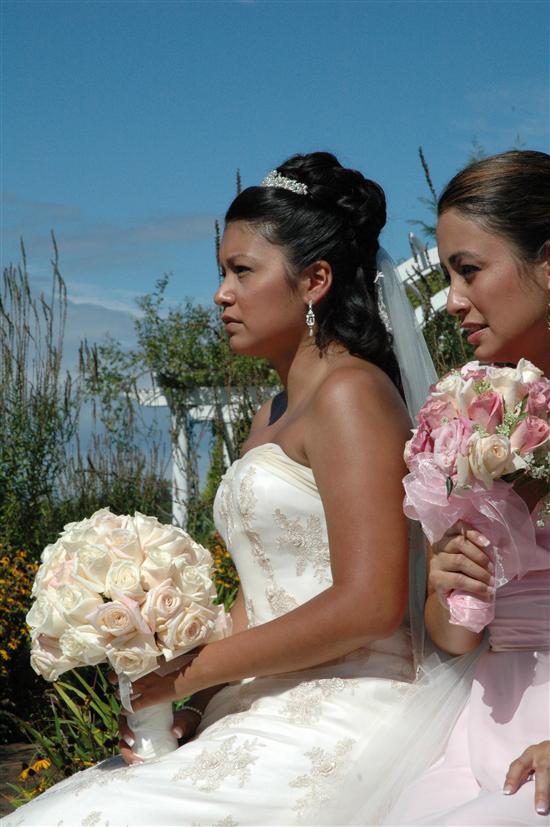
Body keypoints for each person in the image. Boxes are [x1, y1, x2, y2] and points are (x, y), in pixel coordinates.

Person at [8, 152, 424, 827]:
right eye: (220, 272)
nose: (220, 294)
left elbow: (371, 603)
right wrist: (192, 704)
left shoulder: (352, 394)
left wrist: (191, 671)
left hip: (347, 700)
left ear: (314, 280)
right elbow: (261, 593)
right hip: (257, 699)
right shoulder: (270, 413)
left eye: (242, 271)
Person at [386, 149, 550, 826]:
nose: (453, 301)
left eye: (470, 270)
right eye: (449, 276)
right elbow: (449, 637)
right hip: (484, 725)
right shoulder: (464, 415)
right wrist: (451, 589)